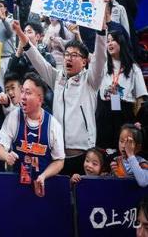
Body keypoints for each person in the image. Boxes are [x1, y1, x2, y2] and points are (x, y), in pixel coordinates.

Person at [12, 16, 107, 176]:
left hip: (83, 155)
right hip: (57, 156)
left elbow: (100, 58)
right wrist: (21, 35)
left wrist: (102, 31)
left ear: (84, 62)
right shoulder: (57, 78)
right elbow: (38, 60)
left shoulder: (91, 80)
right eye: (66, 54)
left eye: (74, 55)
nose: (69, 58)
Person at [0, 73, 65, 196]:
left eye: (28, 93)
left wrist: (44, 176)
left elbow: (59, 161)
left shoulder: (53, 125)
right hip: (15, 184)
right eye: (22, 92)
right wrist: (6, 156)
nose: (23, 97)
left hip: (42, 186)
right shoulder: (13, 117)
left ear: (40, 99)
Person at [96, 32, 147, 150]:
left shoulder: (133, 68)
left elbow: (140, 98)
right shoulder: (103, 65)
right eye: (107, 41)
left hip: (124, 111)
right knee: (103, 148)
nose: (109, 43)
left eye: (112, 40)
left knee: (121, 148)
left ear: (121, 42)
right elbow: (91, 57)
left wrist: (137, 120)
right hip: (105, 110)